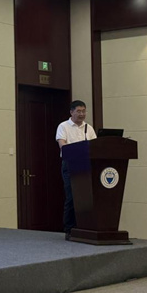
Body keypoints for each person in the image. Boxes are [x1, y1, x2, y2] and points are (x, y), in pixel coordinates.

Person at [55, 100, 96, 240]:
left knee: (86, 197)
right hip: (70, 165)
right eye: (78, 111)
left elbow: (95, 146)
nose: (81, 114)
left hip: (86, 165)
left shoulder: (89, 128)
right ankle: (69, 229)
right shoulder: (63, 126)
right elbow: (63, 145)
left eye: (83, 111)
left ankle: (84, 227)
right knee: (72, 197)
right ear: (71, 112)